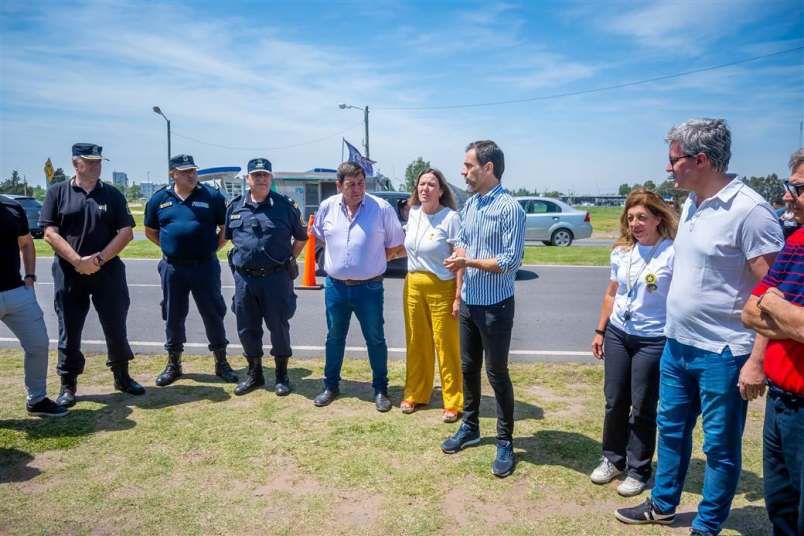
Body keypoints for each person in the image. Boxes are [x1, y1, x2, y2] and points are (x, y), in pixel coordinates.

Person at [615, 119, 784, 536]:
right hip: (678, 344)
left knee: (720, 447)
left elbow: (774, 296)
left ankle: (706, 525)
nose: (668, 167)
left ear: (701, 159)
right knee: (670, 431)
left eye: (674, 159)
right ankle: (664, 504)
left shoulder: (750, 211)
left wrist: (757, 362)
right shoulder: (691, 202)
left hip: (724, 354)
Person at [441, 140, 526, 478]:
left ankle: (505, 440)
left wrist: (468, 260)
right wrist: (458, 290)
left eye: (468, 165)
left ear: (488, 168)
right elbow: (462, 243)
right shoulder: (471, 204)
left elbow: (511, 260)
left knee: (497, 373)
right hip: (469, 304)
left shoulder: (510, 208)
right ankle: (471, 426)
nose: (463, 172)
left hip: (496, 306)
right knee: (467, 368)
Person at [40, 143, 145, 407]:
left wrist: (98, 260)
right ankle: (68, 384)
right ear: (76, 164)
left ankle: (122, 376)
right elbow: (50, 233)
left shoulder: (112, 194)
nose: (97, 166)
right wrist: (77, 260)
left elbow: (126, 232)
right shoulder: (57, 192)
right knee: (69, 328)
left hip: (107, 271)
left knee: (115, 324)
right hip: (69, 271)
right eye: (91, 161)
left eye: (99, 161)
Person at [590, 189, 677, 497]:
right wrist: (600, 331)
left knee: (641, 407)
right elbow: (611, 294)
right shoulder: (622, 252)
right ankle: (612, 459)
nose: (636, 224)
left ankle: (638, 469)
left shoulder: (671, 252)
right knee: (615, 401)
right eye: (631, 218)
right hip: (617, 334)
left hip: (652, 340)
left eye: (642, 217)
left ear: (657, 218)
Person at [741, 148, 804, 536]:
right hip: (781, 402)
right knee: (780, 505)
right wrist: (784, 314)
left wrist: (773, 304)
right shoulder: (796, 242)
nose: (785, 196)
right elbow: (750, 312)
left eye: (796, 188)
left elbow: (766, 306)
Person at [310, 161, 405, 412]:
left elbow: (397, 244)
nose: (357, 189)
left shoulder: (381, 208)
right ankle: (331, 386)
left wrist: (375, 259)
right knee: (334, 338)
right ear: (339, 185)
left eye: (361, 183)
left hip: (370, 288)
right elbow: (319, 235)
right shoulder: (327, 207)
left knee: (375, 339)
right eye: (350, 185)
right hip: (335, 288)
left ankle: (381, 389)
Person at [144, 154, 238, 387]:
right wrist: (171, 249)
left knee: (213, 313)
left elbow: (224, 229)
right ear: (172, 174)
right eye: (185, 171)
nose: (191, 175)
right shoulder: (159, 199)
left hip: (205, 266)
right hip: (173, 268)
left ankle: (221, 362)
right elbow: (150, 231)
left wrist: (208, 249)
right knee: (173, 315)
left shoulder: (211, 196)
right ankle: (174, 364)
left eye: (193, 170)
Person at [225, 157, 307, 396]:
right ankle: (254, 374)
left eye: (265, 175)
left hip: (276, 279)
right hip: (245, 280)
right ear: (248, 179)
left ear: (271, 178)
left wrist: (287, 259)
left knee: (279, 327)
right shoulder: (235, 206)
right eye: (256, 175)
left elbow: (301, 238)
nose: (261, 179)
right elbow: (231, 237)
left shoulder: (285, 206)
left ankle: (281, 376)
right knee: (246, 328)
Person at [400, 168, 464, 423]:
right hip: (413, 285)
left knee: (446, 346)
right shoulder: (413, 214)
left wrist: (458, 295)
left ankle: (453, 400)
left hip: (443, 287)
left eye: (431, 184)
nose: (425, 188)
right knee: (417, 342)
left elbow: (459, 257)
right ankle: (415, 393)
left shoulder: (450, 218)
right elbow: (406, 249)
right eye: (421, 184)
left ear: (441, 190)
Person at [1, 196, 67, 417]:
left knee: (38, 344)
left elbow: (26, 242)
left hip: (17, 292)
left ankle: (37, 399)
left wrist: (29, 276)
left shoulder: (12, 206)